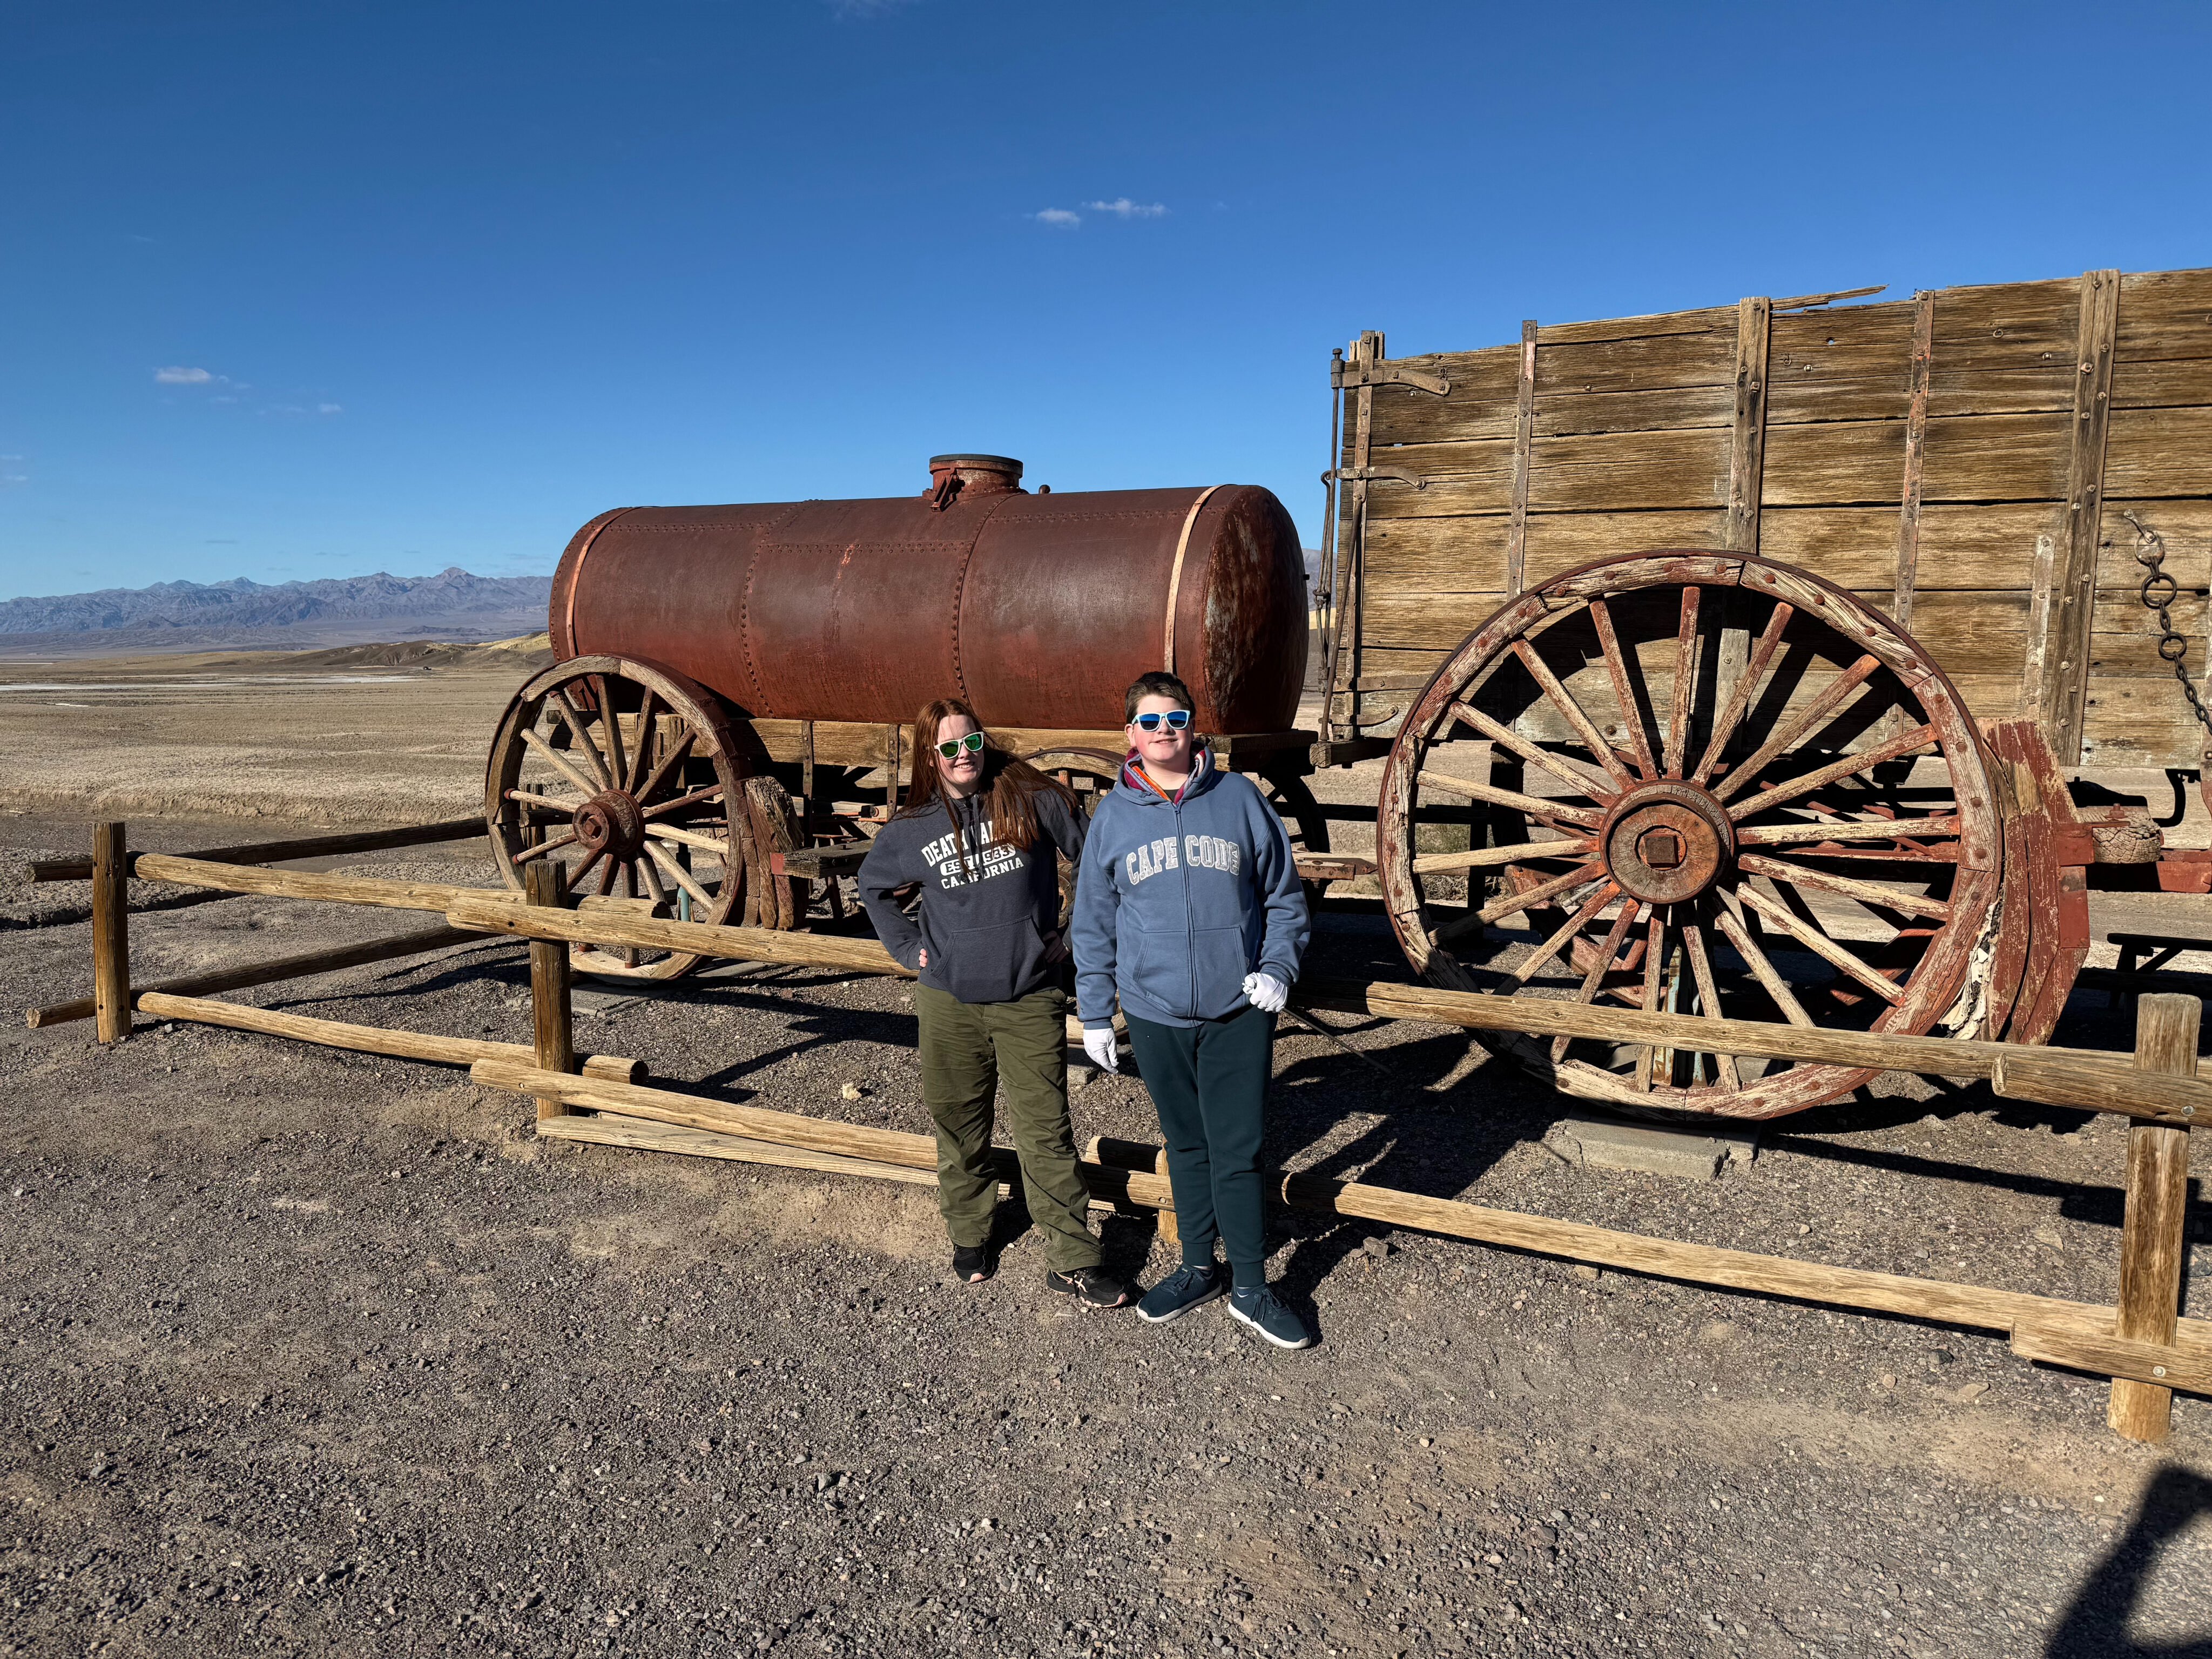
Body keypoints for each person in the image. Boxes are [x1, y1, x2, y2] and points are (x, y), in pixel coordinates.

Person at [858, 696, 1132, 1309]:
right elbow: (872, 888)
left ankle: (1072, 1258)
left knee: (1045, 1131)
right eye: (949, 748)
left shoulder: (1031, 799)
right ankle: (971, 1232)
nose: (963, 757)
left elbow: (1095, 860)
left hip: (1028, 994)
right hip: (948, 1002)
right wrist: (907, 949)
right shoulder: (910, 829)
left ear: (984, 743)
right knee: (958, 1123)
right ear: (931, 757)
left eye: (971, 743)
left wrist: (1071, 932)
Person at [1070, 670, 1313, 1348]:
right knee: (1185, 1145)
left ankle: (1251, 1289)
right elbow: (1092, 923)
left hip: (1238, 1009)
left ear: (1192, 727)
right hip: (1153, 1012)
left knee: (1238, 1150)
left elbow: (1284, 900)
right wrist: (1096, 1013)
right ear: (1130, 735)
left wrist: (1276, 968)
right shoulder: (1113, 818)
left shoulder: (1237, 799)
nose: (1163, 733)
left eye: (1175, 720)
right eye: (1150, 722)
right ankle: (1196, 1267)